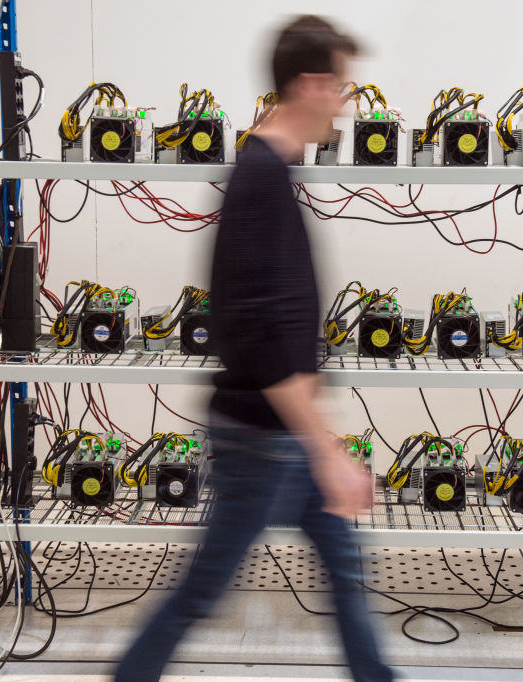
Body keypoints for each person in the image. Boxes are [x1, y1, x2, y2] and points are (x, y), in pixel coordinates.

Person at [113, 15, 394, 682]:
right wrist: (329, 453)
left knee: (347, 574)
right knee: (202, 590)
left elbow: (277, 330)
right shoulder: (261, 182)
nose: (348, 105)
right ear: (311, 84)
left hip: (277, 434)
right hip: (264, 439)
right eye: (344, 89)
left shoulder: (267, 172)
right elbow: (267, 344)